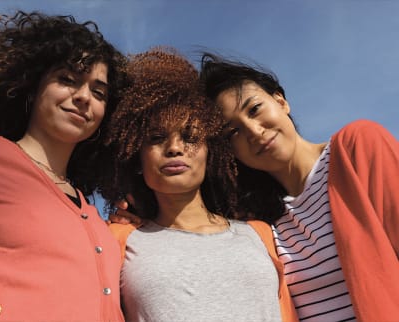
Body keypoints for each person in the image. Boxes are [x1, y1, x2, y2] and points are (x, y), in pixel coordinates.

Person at [0, 11, 126, 322]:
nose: (84, 97)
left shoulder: (95, 219)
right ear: (33, 86)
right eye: (67, 80)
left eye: (99, 92)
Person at [199, 53, 399, 321]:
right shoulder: (256, 222)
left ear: (281, 101)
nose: (254, 131)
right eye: (232, 132)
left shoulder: (357, 148)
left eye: (254, 109)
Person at [100, 48, 295, 321]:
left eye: (190, 137)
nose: (175, 148)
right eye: (156, 138)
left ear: (210, 153)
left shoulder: (260, 233)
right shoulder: (116, 239)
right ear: (135, 158)